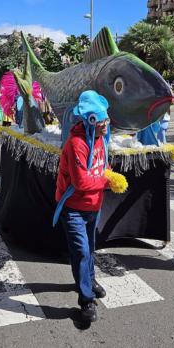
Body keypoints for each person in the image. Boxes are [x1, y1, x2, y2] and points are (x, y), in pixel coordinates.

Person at [55, 90, 112, 324]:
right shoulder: (77, 144)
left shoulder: (101, 139)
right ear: (90, 121)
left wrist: (108, 175)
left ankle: (89, 279)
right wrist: (109, 181)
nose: (106, 125)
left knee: (90, 248)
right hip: (73, 207)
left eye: (107, 120)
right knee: (81, 251)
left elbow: (102, 167)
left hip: (93, 206)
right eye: (102, 121)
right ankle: (86, 299)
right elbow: (81, 182)